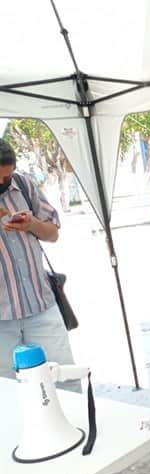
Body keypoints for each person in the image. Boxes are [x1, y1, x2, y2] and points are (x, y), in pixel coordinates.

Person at [0, 139, 73, 378]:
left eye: (7, 177)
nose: (3, 182)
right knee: (7, 395)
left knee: (63, 381)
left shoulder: (24, 186)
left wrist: (31, 224)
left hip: (41, 307)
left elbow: (52, 234)